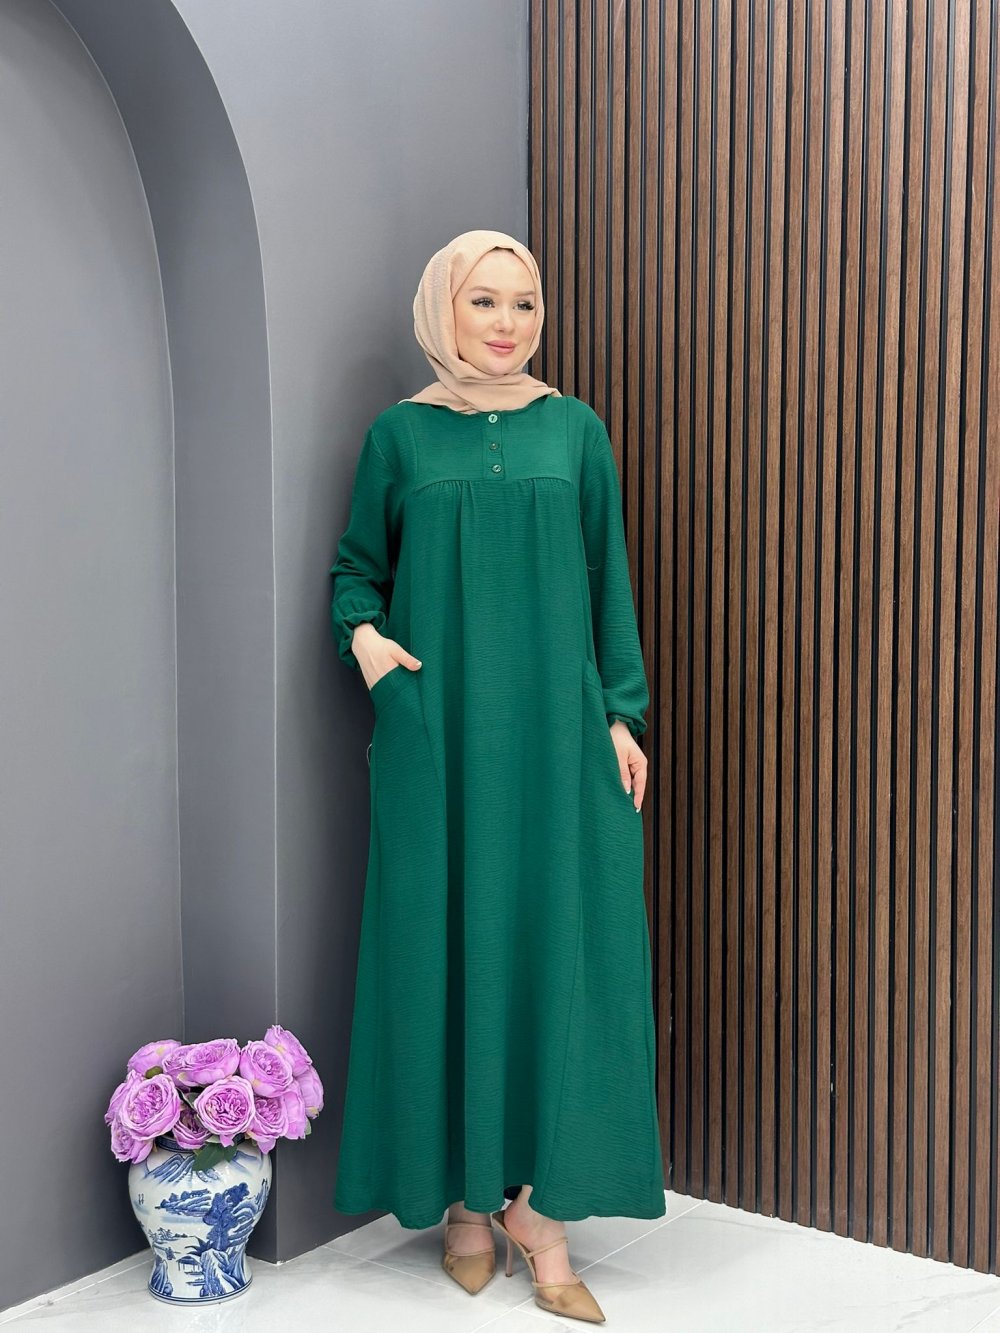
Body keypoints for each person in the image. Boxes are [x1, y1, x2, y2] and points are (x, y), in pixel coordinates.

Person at [328, 229, 664, 1325]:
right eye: (484, 301)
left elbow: (609, 578)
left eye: (523, 302)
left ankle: (541, 1212)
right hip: (440, 738)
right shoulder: (400, 435)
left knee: (565, 954)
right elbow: (354, 572)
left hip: (558, 736)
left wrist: (620, 712)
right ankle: (466, 1205)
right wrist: (370, 645)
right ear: (444, 310)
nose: (507, 323)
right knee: (447, 947)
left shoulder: (576, 429)